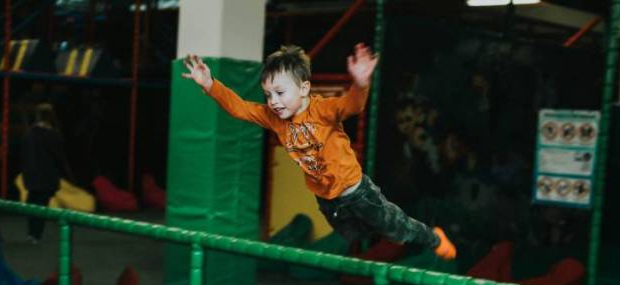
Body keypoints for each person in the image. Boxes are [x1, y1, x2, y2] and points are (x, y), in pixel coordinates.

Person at [182, 43, 456, 260]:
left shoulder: (321, 110)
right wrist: (209, 84)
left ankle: (434, 238)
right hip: (327, 201)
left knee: (395, 228)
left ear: (304, 89)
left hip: (357, 192)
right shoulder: (272, 116)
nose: (274, 102)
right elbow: (240, 108)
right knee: (353, 237)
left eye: (280, 92)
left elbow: (351, 106)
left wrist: (360, 84)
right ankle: (382, 240)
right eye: (268, 95)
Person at [18, 102, 74, 244]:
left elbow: (24, 154)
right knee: (42, 205)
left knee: (32, 204)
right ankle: (36, 235)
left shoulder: (30, 133)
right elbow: (59, 158)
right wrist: (69, 175)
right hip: (47, 176)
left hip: (31, 175)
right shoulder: (54, 135)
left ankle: (31, 233)